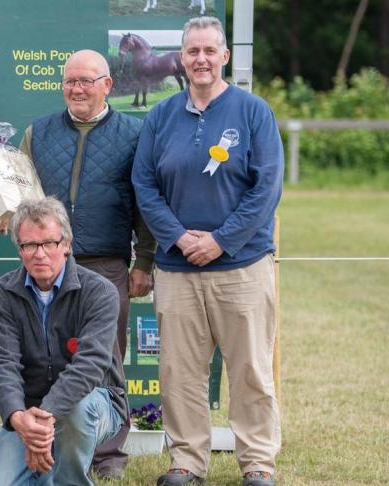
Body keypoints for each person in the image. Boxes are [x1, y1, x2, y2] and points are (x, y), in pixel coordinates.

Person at [132, 17, 283, 486]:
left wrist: (221, 240)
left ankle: (257, 461)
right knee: (178, 372)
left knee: (251, 369)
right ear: (181, 58)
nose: (200, 59)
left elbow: (266, 188)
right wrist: (178, 238)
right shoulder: (161, 116)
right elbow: (144, 184)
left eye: (208, 51)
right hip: (177, 268)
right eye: (192, 51)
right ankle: (186, 462)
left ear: (225, 57)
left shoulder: (253, 111)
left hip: (243, 264)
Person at [12, 48, 157, 478]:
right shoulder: (37, 133)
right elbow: (19, 197)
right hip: (45, 262)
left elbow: (145, 204)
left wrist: (144, 260)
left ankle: (108, 454)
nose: (76, 89)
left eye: (86, 81)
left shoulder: (135, 134)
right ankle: (42, 436)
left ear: (107, 85)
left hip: (106, 261)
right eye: (70, 81)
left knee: (107, 354)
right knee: (42, 351)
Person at [0, 197, 127, 485]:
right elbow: (3, 365)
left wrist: (46, 416)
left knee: (76, 412)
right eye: (29, 245)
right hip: (27, 411)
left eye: (49, 243)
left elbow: (90, 365)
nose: (40, 254)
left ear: (67, 244)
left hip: (95, 402)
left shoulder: (100, 292)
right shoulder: (0, 295)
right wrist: (18, 419)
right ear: (19, 249)